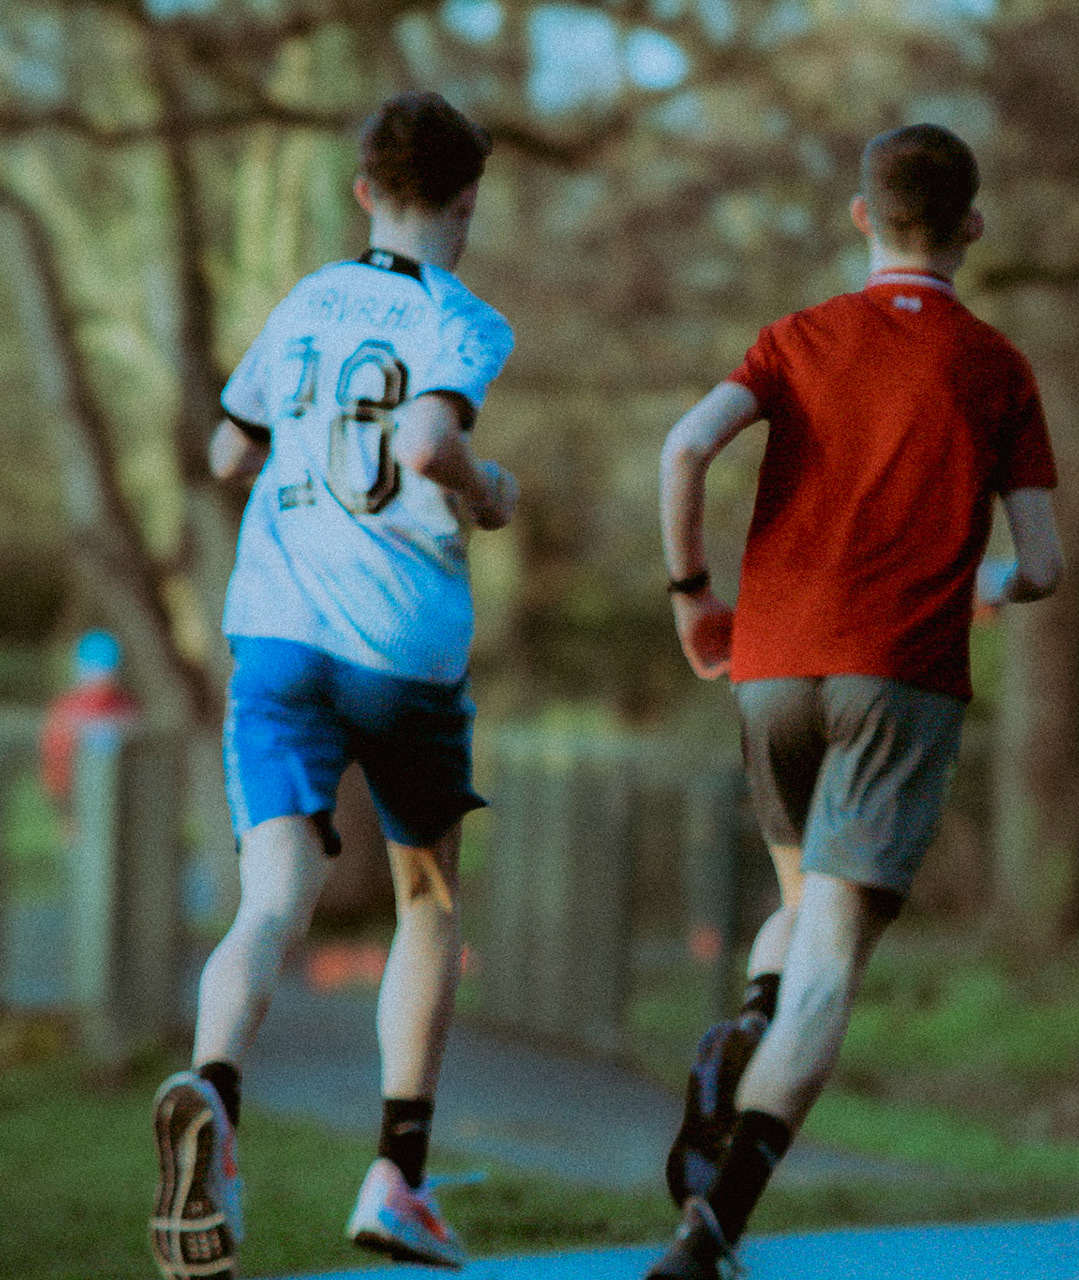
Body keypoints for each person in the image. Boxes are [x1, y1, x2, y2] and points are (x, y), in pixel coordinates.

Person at [651, 123, 1061, 1278]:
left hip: (772, 663)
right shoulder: (996, 366)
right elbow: (1044, 563)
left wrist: (693, 596)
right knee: (836, 948)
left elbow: (684, 449)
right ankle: (715, 1225)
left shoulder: (795, 338)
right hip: (899, 675)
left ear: (862, 218)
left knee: (800, 903)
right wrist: (983, 582)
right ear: (972, 225)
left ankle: (748, 1024)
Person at [149, 92, 518, 1280]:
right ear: (467, 200)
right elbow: (427, 444)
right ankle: (398, 1176)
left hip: (276, 633)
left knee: (270, 899)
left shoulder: (305, 300)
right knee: (427, 900)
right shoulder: (461, 319)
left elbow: (228, 449)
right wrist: (489, 491)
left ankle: (214, 1096)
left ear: (364, 191)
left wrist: (291, 456)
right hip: (400, 645)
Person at [39, 629, 141, 814]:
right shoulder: (66, 708)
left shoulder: (126, 707)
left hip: (123, 795)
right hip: (75, 794)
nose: (100, 679)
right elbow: (54, 758)